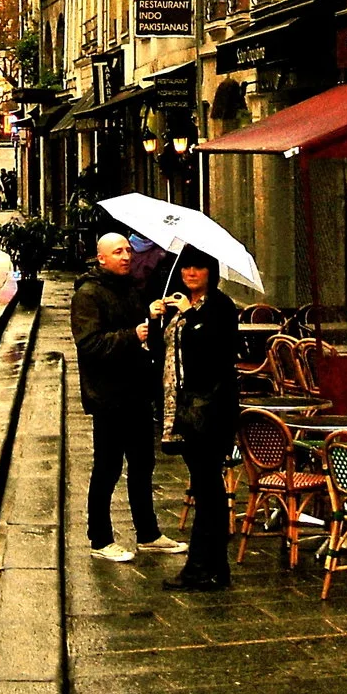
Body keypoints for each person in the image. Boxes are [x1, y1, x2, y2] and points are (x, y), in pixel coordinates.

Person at [73, 231, 186, 564]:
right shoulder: (88, 294)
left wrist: (150, 316)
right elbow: (90, 343)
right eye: (118, 252)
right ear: (101, 258)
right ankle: (100, 538)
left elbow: (139, 330)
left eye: (128, 250)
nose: (126, 257)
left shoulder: (129, 288)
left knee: (142, 465)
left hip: (136, 391)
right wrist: (131, 335)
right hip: (108, 395)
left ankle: (148, 534)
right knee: (107, 468)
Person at [152, 249, 241, 591]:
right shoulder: (178, 306)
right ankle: (212, 568)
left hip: (211, 410)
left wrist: (191, 316)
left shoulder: (220, 306)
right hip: (182, 409)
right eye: (186, 267)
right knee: (204, 486)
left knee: (208, 487)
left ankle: (203, 567)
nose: (190, 272)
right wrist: (157, 319)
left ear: (210, 271)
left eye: (198, 267)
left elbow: (216, 351)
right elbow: (164, 352)